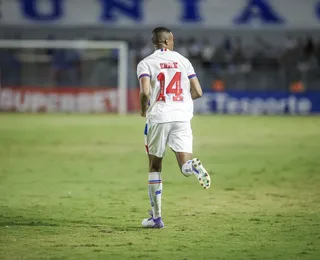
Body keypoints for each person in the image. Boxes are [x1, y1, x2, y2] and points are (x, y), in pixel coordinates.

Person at [137, 27, 211, 229]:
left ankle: (156, 218)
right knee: (184, 165)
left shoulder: (146, 63)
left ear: (154, 42)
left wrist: (144, 109)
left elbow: (145, 92)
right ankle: (192, 166)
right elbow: (198, 91)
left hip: (159, 116)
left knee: (155, 166)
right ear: (170, 40)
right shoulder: (183, 61)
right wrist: (183, 102)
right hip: (182, 116)